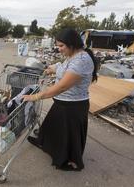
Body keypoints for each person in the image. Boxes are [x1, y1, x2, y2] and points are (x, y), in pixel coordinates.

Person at [23, 28, 98, 171]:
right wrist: (50, 68)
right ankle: (43, 142)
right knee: (52, 125)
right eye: (58, 46)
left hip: (72, 107)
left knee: (68, 136)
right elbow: (63, 66)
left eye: (61, 46)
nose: (59, 49)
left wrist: (35, 97)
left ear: (72, 43)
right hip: (63, 102)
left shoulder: (81, 61)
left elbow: (62, 87)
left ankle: (70, 161)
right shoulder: (73, 55)